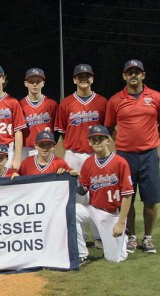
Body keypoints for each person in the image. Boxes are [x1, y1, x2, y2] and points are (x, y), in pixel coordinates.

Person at [105, 59, 160, 254]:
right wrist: (122, 141)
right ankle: (132, 236)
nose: (133, 75)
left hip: (149, 155)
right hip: (125, 156)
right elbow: (109, 126)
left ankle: (148, 238)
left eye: (137, 72)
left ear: (143, 75)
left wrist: (152, 140)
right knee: (128, 198)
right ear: (124, 76)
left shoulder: (156, 97)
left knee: (150, 198)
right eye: (129, 72)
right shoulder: (116, 100)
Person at [54, 63, 107, 249]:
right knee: (76, 196)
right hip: (73, 154)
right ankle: (82, 236)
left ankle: (100, 236)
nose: (83, 79)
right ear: (74, 79)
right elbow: (61, 132)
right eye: (80, 76)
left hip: (96, 154)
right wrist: (72, 148)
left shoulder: (101, 102)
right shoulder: (66, 103)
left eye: (87, 76)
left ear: (92, 78)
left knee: (97, 195)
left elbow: (107, 131)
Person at [75, 125, 134, 265]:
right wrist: (69, 176)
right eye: (93, 139)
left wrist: (120, 223)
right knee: (70, 212)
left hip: (112, 214)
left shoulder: (120, 162)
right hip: (93, 209)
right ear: (89, 142)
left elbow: (127, 195)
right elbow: (82, 190)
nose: (97, 142)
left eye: (100, 138)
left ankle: (123, 237)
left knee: (113, 259)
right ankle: (82, 254)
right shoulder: (88, 163)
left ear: (108, 140)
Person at [20, 68, 58, 160]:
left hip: (46, 147)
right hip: (27, 149)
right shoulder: (20, 105)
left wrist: (52, 143)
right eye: (31, 81)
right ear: (26, 84)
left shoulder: (52, 104)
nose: (34, 84)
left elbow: (56, 130)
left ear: (43, 83)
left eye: (38, 81)